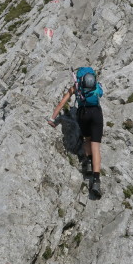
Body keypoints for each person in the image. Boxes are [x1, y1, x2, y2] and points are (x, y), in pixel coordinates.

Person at [48, 67, 104, 197]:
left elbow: (63, 102)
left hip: (83, 114)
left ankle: (89, 162)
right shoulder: (96, 86)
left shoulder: (76, 87)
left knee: (87, 140)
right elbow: (100, 94)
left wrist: (52, 118)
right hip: (96, 114)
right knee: (96, 146)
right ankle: (96, 181)